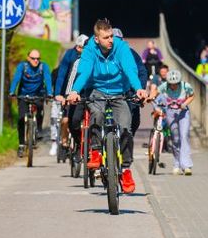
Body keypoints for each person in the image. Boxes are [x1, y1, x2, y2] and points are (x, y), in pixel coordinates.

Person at [65, 19, 147, 195]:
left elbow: (129, 69)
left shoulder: (121, 47)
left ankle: (125, 170)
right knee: (96, 113)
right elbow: (85, 71)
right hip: (98, 91)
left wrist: (139, 88)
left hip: (120, 92)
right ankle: (95, 150)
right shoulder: (89, 50)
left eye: (111, 36)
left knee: (126, 127)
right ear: (96, 39)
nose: (110, 40)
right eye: (106, 37)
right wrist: (75, 91)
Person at [10, 48, 54, 158]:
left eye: (38, 58)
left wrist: (50, 93)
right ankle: (21, 145)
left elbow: (48, 80)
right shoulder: (22, 66)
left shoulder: (43, 66)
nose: (36, 61)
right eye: (33, 58)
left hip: (38, 94)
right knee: (21, 119)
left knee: (40, 109)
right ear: (28, 58)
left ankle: (38, 129)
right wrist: (12, 91)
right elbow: (16, 79)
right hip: (23, 95)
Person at [155, 69, 195, 175]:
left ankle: (186, 166)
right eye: (171, 84)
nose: (173, 86)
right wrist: (150, 97)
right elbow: (156, 92)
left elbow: (192, 95)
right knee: (175, 138)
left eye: (175, 84)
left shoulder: (186, 86)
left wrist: (185, 103)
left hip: (183, 113)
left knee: (184, 136)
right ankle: (177, 163)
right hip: (170, 113)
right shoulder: (164, 86)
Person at [54, 34, 87, 157]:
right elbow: (62, 74)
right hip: (70, 91)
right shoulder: (70, 55)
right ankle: (65, 141)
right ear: (78, 48)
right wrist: (58, 94)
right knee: (67, 120)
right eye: (83, 48)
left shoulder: (90, 56)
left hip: (86, 93)